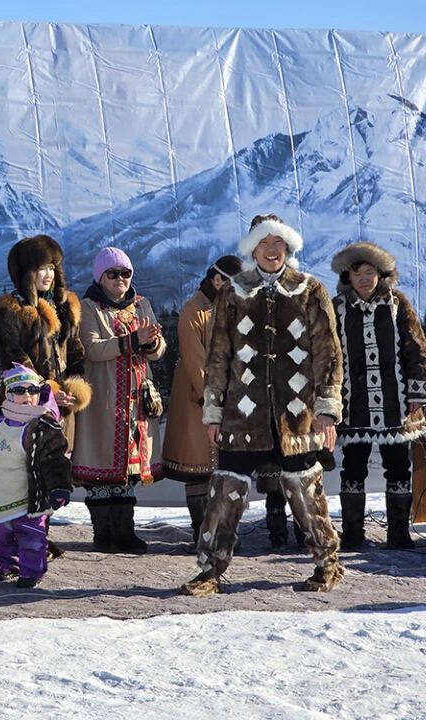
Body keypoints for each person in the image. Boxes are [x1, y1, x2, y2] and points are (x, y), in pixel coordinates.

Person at [180, 213, 344, 596]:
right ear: (252, 249)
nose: (271, 250)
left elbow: (328, 354)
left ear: (288, 247)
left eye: (278, 243)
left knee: (306, 491)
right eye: (263, 243)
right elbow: (218, 357)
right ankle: (209, 571)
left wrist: (327, 409)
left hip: (296, 414)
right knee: (224, 492)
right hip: (243, 414)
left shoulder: (310, 290)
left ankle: (327, 564)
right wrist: (213, 411)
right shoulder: (233, 292)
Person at [0, 235, 92, 560]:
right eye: (41, 268)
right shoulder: (11, 310)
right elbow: (15, 358)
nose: (48, 274)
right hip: (25, 405)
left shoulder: (65, 308)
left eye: (52, 268)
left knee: (51, 469)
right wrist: (48, 392)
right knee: (22, 472)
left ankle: (40, 534)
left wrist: (74, 388)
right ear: (25, 273)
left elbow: (76, 353)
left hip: (62, 408)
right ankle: (23, 539)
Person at [331, 242, 426, 550]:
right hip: (354, 402)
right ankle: (352, 535)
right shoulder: (337, 307)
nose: (364, 279)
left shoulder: (397, 304)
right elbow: (328, 356)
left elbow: (417, 348)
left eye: (370, 272)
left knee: (398, 466)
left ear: (381, 274)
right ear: (348, 276)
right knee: (353, 467)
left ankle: (398, 535)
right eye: (357, 273)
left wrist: (417, 392)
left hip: (395, 401)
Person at [71, 247, 166, 553]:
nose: (120, 279)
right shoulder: (88, 307)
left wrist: (152, 342)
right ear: (100, 277)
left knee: (129, 468)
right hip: (104, 399)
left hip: (136, 400)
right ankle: (104, 535)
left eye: (126, 273)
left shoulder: (141, 304)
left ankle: (125, 533)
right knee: (101, 465)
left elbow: (158, 351)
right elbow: (91, 348)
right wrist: (133, 341)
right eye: (112, 274)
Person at [0, 364, 74, 588]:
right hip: (0, 491)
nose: (27, 396)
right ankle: (9, 564)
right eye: (20, 391)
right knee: (4, 533)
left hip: (30, 493)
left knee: (31, 534)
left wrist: (60, 487)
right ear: (8, 394)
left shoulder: (43, 425)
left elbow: (55, 458)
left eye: (33, 390)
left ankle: (32, 571)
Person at [162, 254, 242, 546]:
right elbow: (194, 360)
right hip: (197, 398)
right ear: (217, 279)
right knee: (198, 467)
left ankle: (223, 531)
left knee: (224, 470)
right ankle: (203, 532)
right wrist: (212, 399)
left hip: (228, 396)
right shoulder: (193, 310)